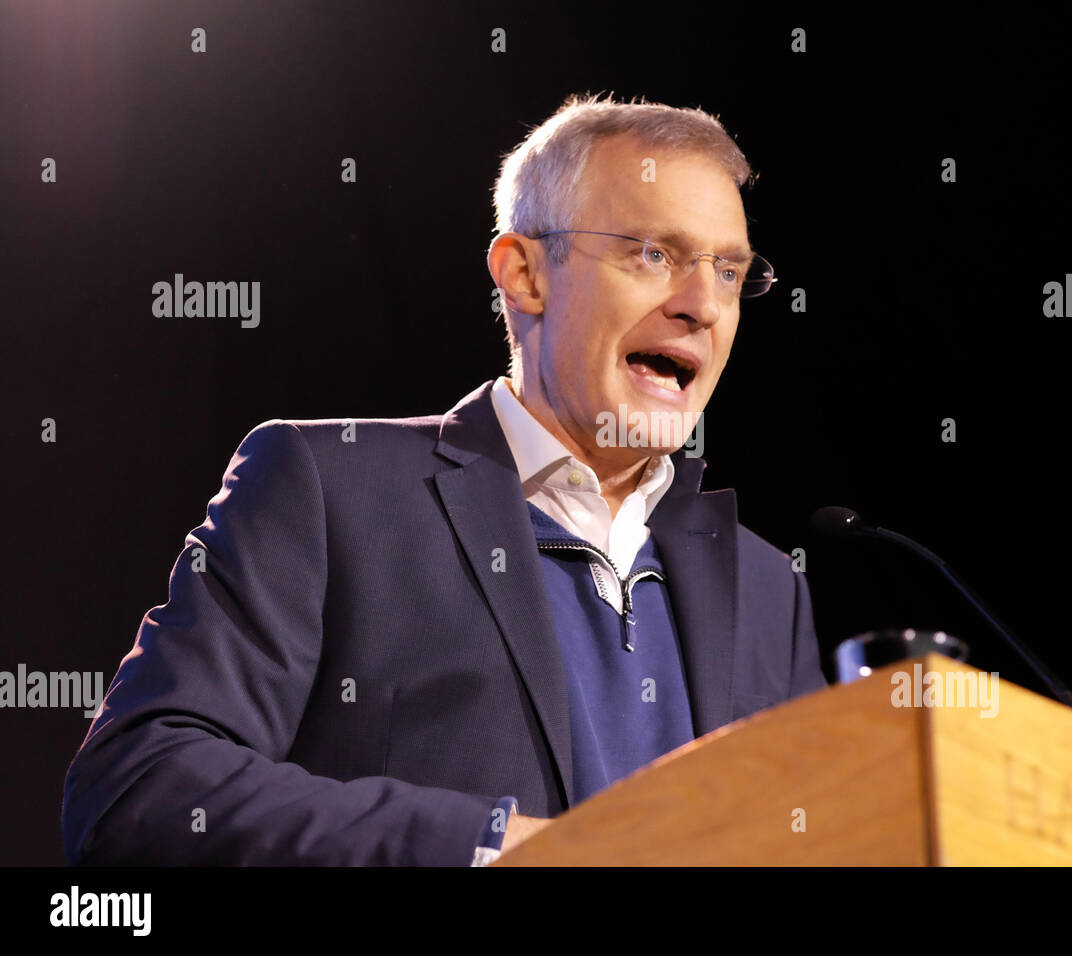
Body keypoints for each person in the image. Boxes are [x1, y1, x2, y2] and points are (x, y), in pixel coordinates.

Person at [61, 93, 826, 867]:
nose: (701, 305)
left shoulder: (767, 588)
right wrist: (495, 849)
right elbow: (138, 790)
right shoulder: (330, 493)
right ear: (524, 275)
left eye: (728, 272)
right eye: (652, 254)